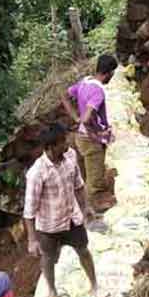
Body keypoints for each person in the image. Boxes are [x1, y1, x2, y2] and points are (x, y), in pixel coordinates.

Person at [23, 123, 107, 297]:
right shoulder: (37, 173)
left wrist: (86, 207)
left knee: (83, 251)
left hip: (72, 219)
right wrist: (32, 239)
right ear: (50, 147)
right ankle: (52, 292)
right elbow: (29, 211)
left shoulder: (70, 156)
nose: (67, 143)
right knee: (48, 259)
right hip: (49, 226)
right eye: (62, 142)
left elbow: (78, 184)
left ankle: (95, 286)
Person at [61, 54, 118, 213]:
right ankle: (92, 213)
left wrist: (75, 117)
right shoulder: (98, 91)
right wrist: (96, 132)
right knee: (95, 182)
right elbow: (87, 118)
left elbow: (64, 96)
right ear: (109, 73)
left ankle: (82, 206)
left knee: (85, 175)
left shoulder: (84, 82)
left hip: (80, 137)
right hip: (91, 140)